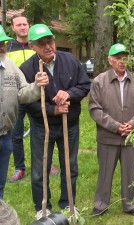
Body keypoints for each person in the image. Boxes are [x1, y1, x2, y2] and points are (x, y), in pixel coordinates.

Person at [20, 24, 90, 219]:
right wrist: (53, 110)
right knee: (39, 170)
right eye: (41, 44)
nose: (48, 46)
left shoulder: (70, 61)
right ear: (32, 46)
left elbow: (84, 85)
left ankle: (68, 203)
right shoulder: (27, 69)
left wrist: (69, 93)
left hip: (70, 125)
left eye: (49, 41)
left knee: (70, 165)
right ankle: (42, 206)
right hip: (43, 127)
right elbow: (25, 101)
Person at [89, 43, 134, 216]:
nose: (121, 61)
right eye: (117, 58)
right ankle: (100, 205)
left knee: (129, 173)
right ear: (110, 60)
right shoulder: (99, 81)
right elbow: (95, 109)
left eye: (124, 57)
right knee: (105, 173)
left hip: (130, 137)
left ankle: (130, 205)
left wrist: (133, 123)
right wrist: (116, 127)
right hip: (107, 137)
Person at [7, 14, 59, 182]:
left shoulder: (37, 44)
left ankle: (47, 161)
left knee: (42, 127)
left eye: (25, 24)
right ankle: (19, 167)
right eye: (18, 25)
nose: (22, 27)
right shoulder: (7, 47)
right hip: (17, 95)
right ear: (13, 28)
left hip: (36, 92)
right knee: (16, 133)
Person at [0, 24, 49, 199]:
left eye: (3, 43)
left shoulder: (10, 66)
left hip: (4, 136)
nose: (2, 47)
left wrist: (36, 85)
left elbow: (22, 93)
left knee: (0, 184)